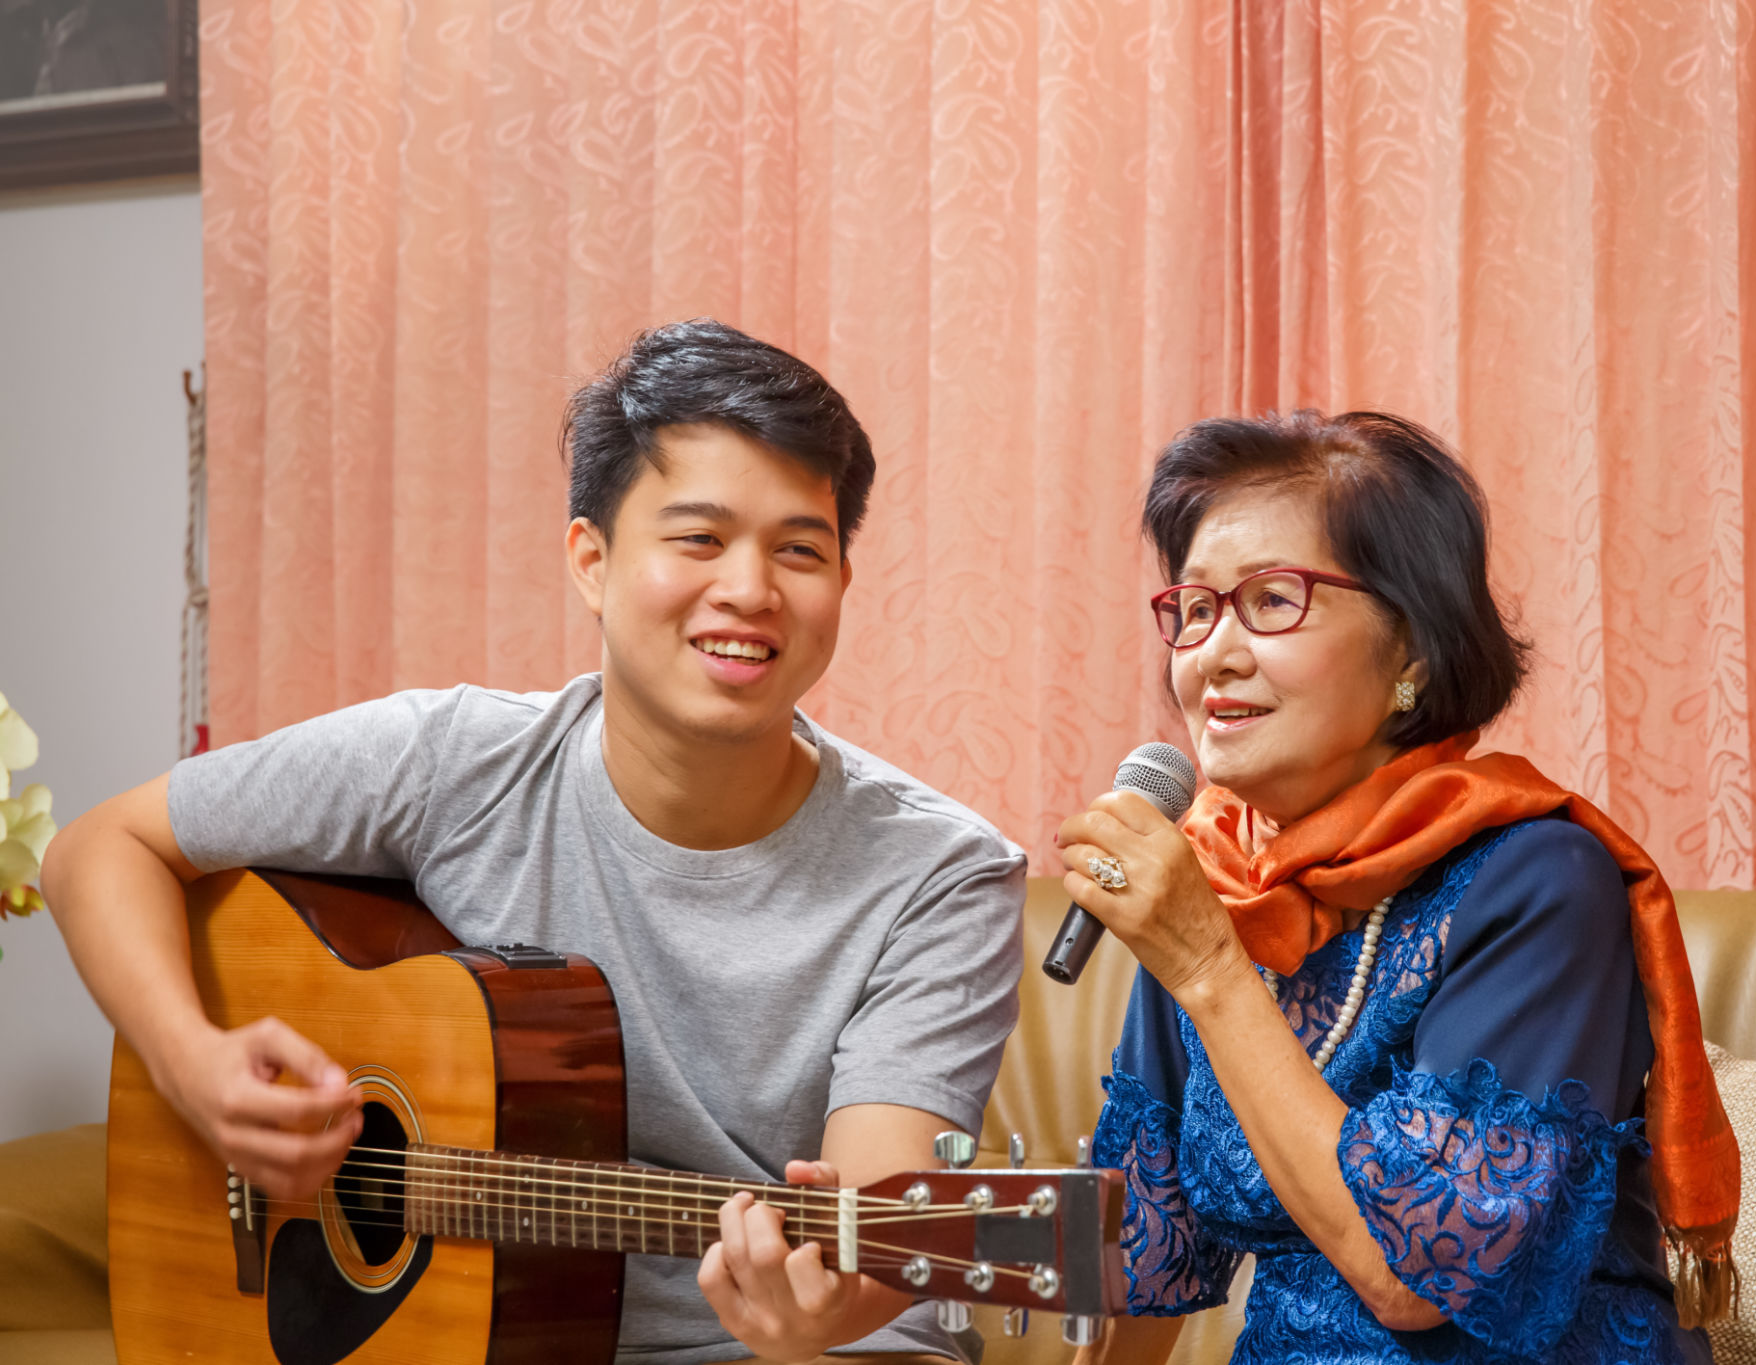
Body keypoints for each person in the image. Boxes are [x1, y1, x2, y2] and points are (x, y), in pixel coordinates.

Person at [41, 320, 1026, 1365]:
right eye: (698, 539)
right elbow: (97, 850)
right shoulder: (449, 761)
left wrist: (824, 1310)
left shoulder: (941, 876)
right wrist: (195, 1065)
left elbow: (873, 1229)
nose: (749, 590)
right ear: (591, 561)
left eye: (799, 548)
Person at [1053, 411, 1740, 1364]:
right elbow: (1146, 1272)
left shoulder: (1538, 879)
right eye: (1196, 608)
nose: (1213, 652)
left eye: (1273, 599)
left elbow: (1417, 1274)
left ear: (1412, 653)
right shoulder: (1212, 886)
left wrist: (1210, 969)